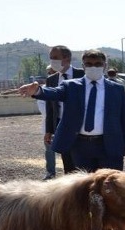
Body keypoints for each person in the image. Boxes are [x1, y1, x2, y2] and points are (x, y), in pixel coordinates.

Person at [19, 49, 125, 173]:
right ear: (83, 66)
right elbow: (54, 92)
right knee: (82, 187)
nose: (93, 67)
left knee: (109, 185)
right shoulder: (71, 86)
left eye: (98, 64)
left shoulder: (116, 89)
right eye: (89, 64)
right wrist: (38, 91)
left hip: (109, 144)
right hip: (80, 146)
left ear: (105, 66)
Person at [44, 45, 85, 173]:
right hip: (62, 127)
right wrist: (49, 130)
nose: (52, 61)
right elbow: (50, 107)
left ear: (67, 58)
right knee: (68, 164)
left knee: (84, 164)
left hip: (83, 127)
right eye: (51, 58)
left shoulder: (82, 75)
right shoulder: (52, 79)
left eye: (55, 57)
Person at [37, 65, 58, 179]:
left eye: (54, 72)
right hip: (49, 127)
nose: (51, 74)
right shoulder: (43, 91)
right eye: (50, 72)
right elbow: (45, 111)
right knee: (49, 151)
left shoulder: (68, 87)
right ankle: (51, 172)